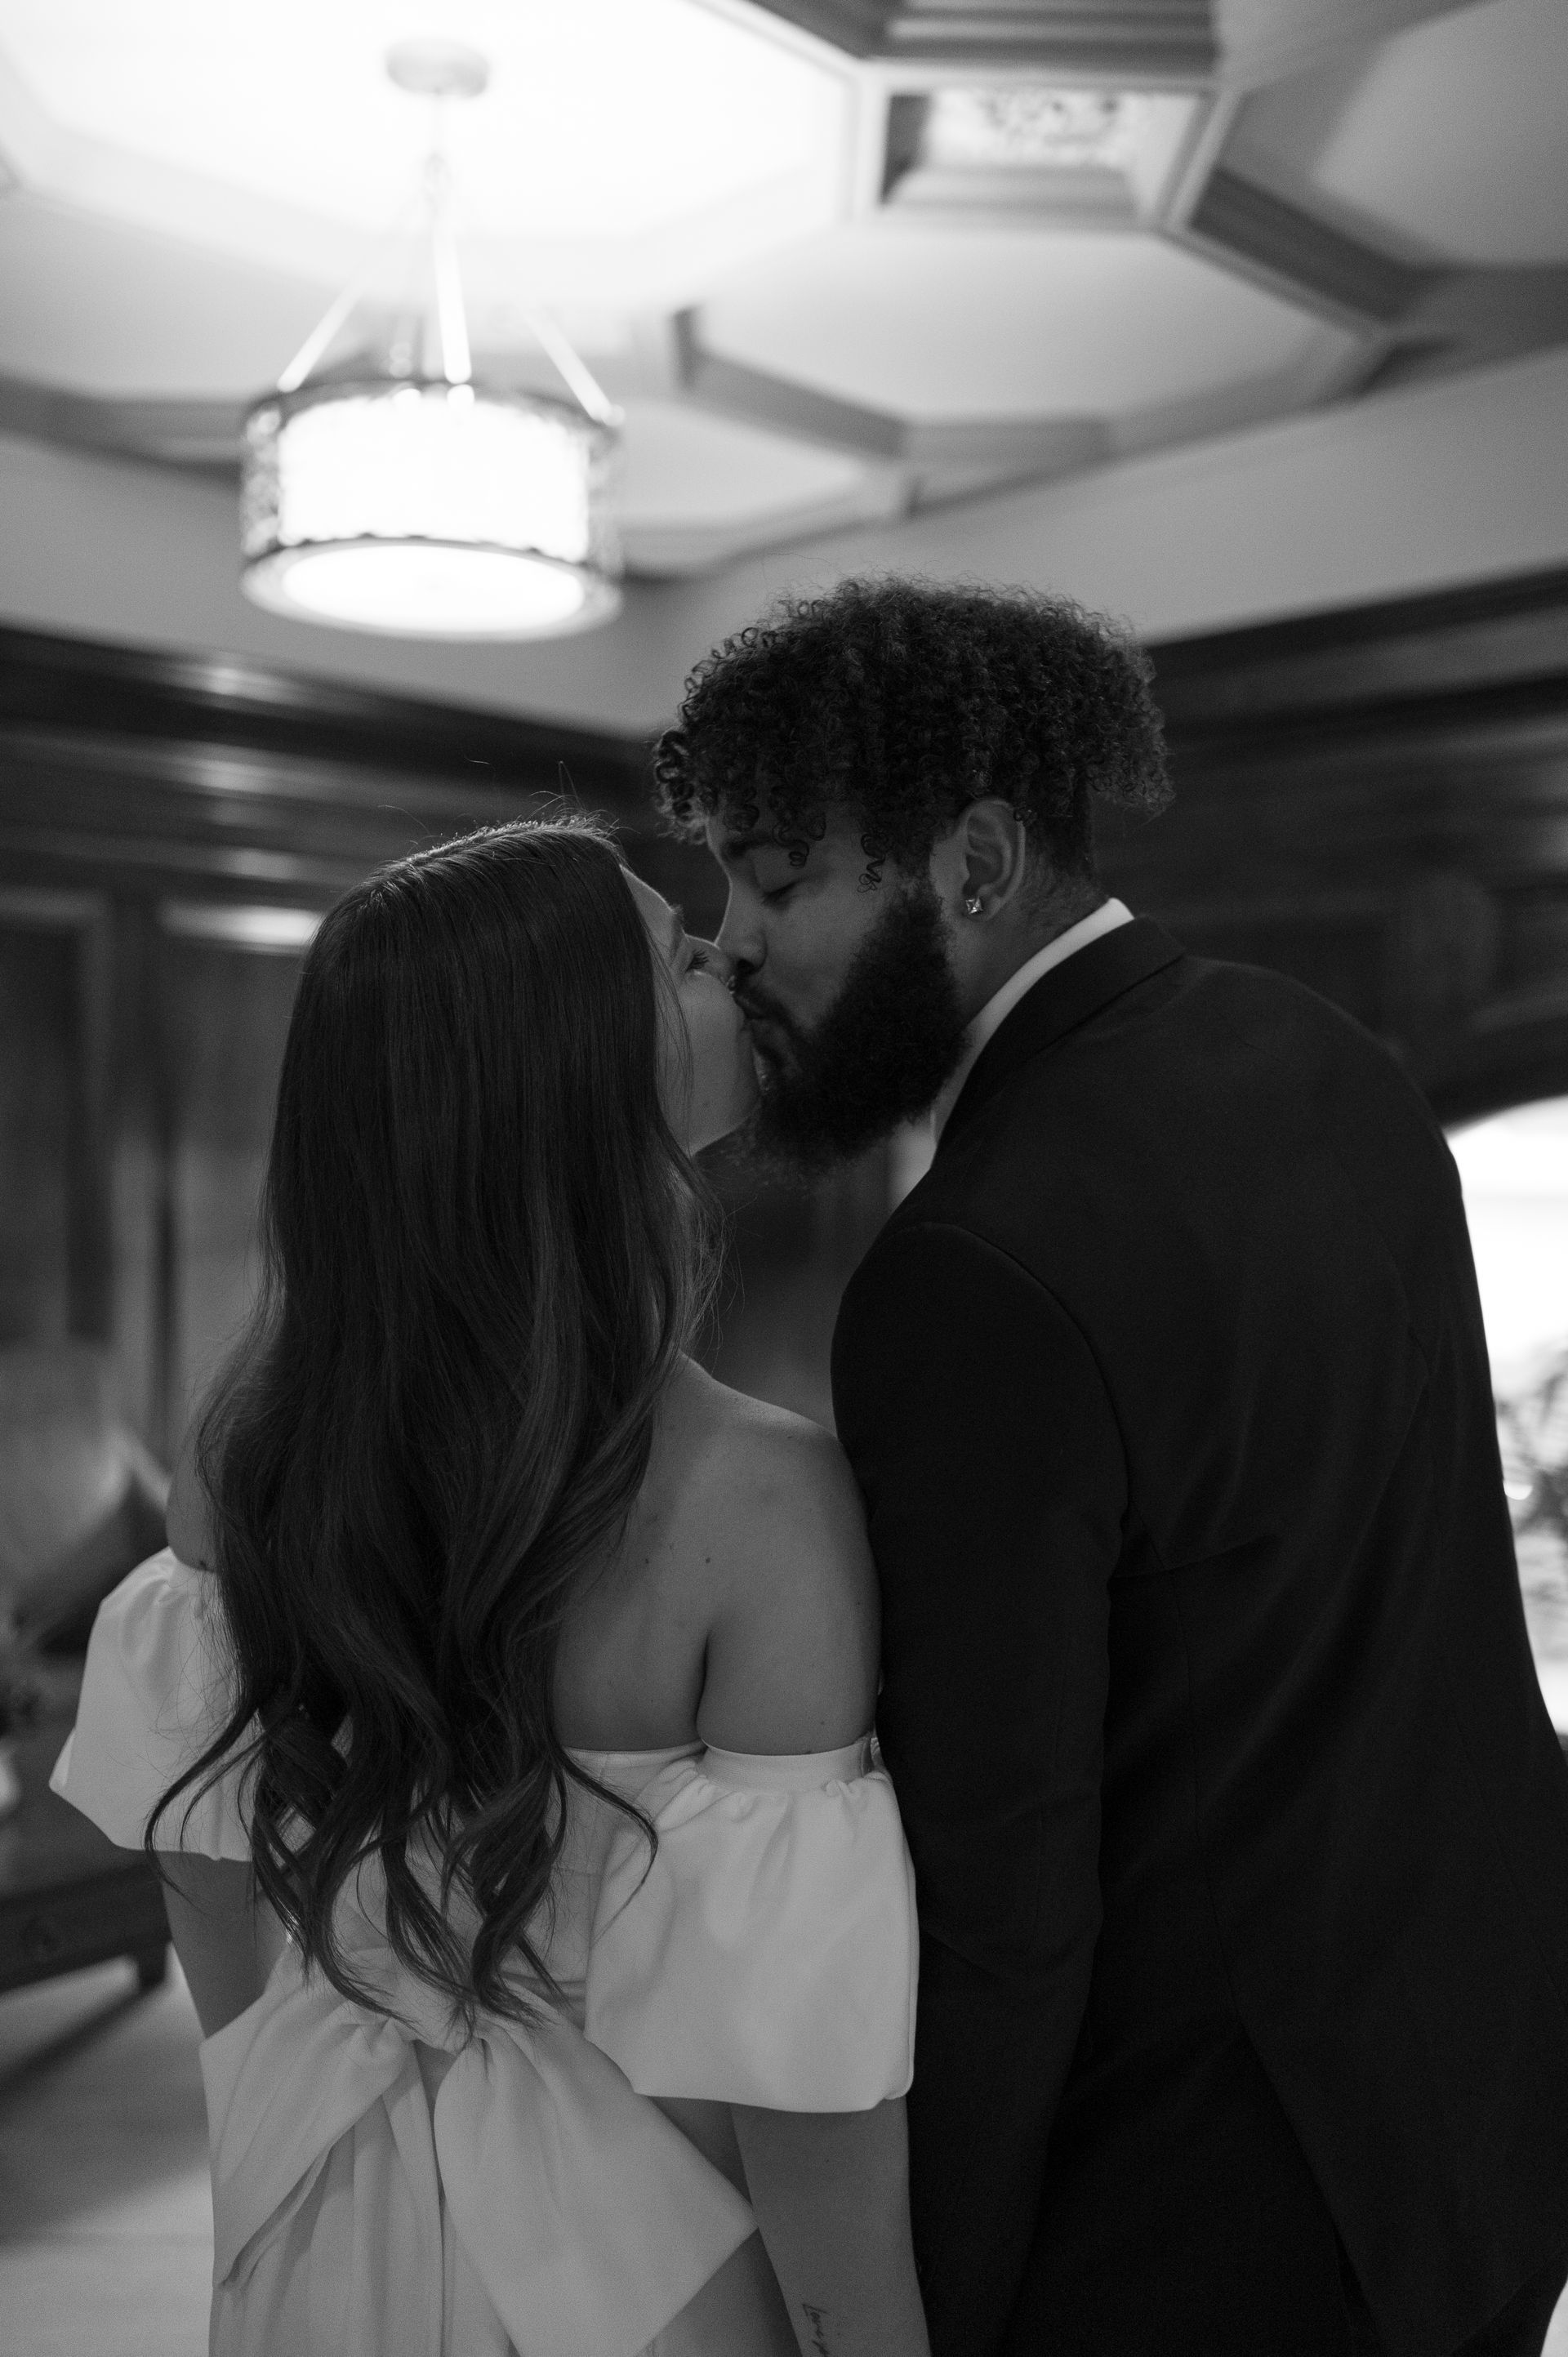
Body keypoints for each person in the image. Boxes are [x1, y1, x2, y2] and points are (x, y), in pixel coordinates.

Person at [657, 576, 1568, 2357]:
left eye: (776, 877)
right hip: (1489, 2086)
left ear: (976, 866)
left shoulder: (971, 1272)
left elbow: (1004, 1901)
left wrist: (944, 2307)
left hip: (1222, 2205)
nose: (735, 943)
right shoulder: (1342, 1062)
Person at [51, 818, 929, 2357]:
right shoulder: (763, 1500)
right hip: (639, 2265)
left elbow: (195, 1846)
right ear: (582, 1069)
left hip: (326, 2213)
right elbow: (802, 2081)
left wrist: (288, 2072)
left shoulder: (248, 1441)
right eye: (672, 948)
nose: (727, 950)